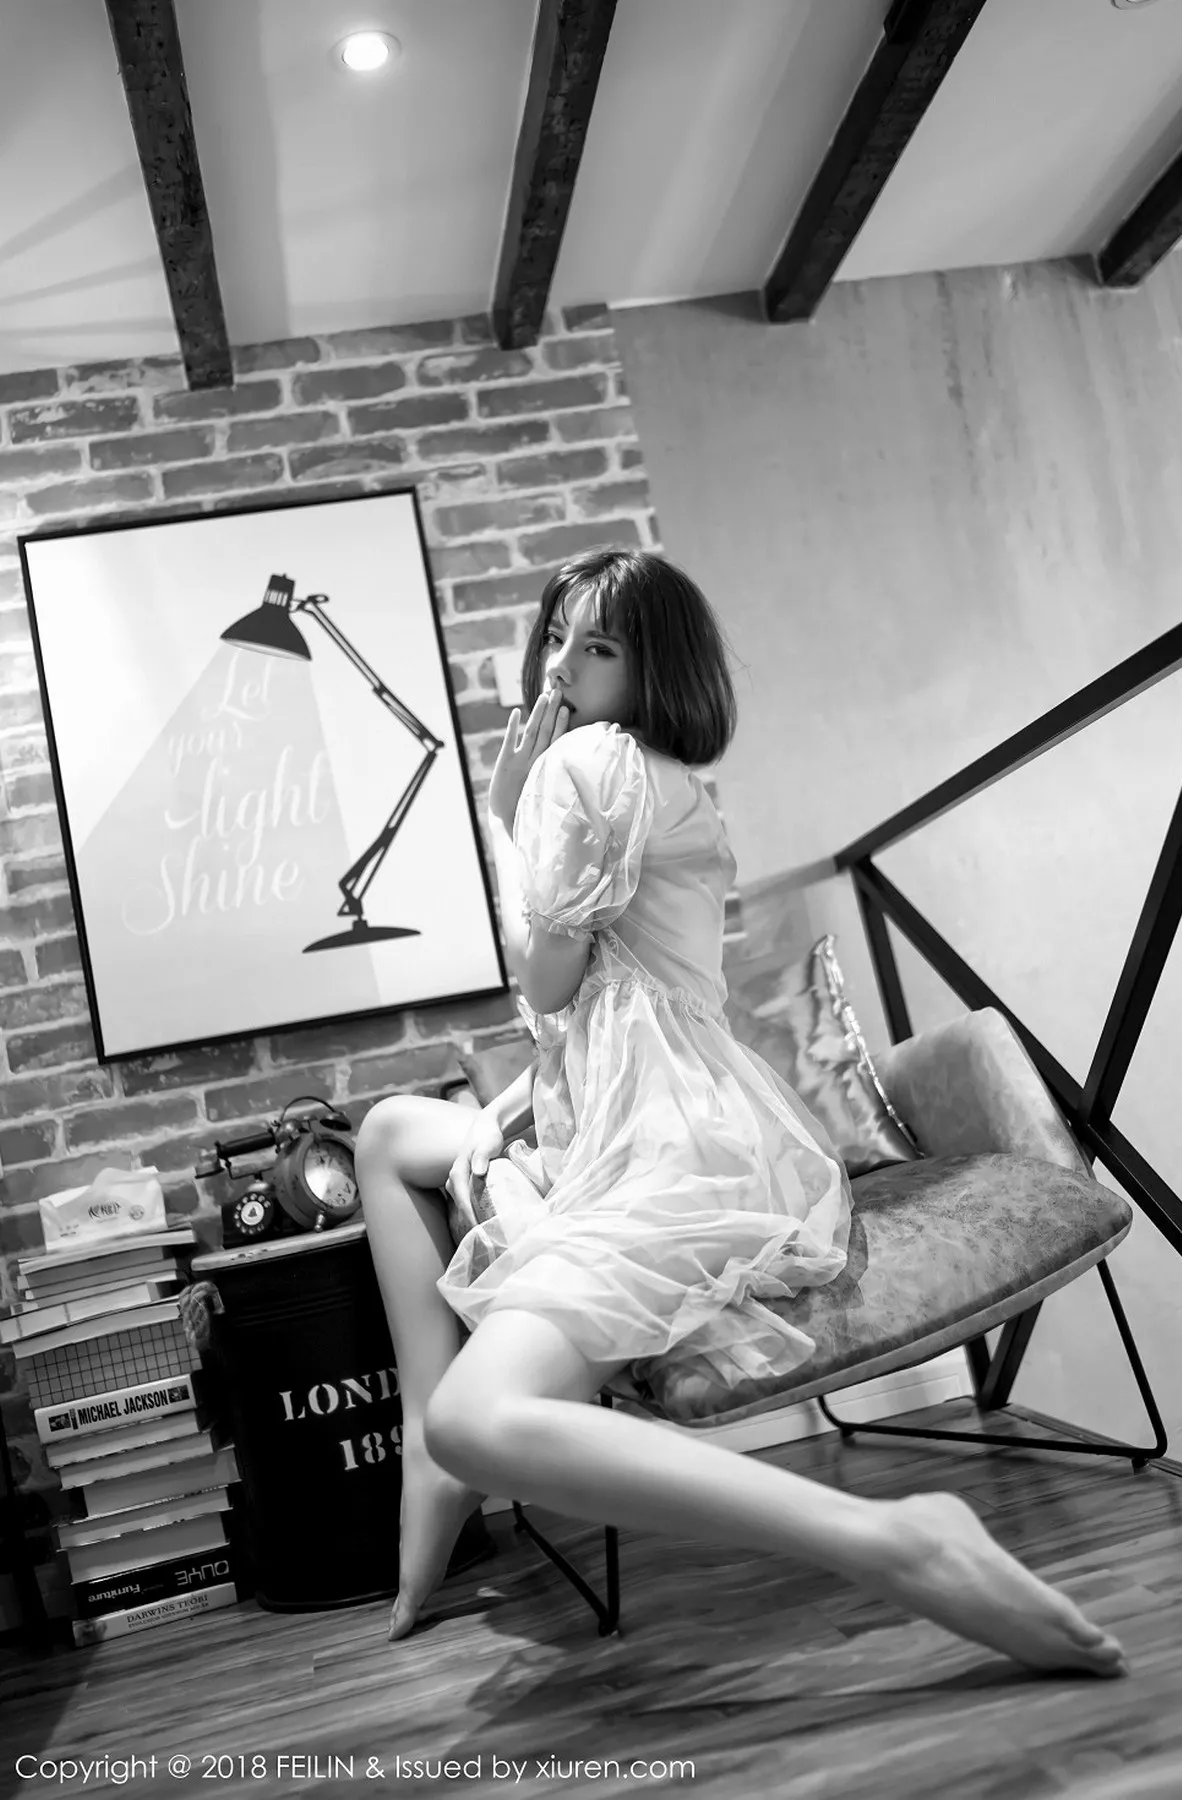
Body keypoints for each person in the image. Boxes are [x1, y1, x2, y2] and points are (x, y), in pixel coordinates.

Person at [356, 547, 1126, 1677]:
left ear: (653, 668)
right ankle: (434, 1470)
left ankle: (890, 1540)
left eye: (598, 647)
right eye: (556, 636)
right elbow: (630, 1003)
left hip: (662, 1143)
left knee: (475, 1417)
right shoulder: (670, 779)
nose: (561, 666)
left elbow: (550, 984)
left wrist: (509, 814)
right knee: (389, 1133)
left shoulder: (583, 764)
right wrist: (528, 1091)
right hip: (698, 1116)